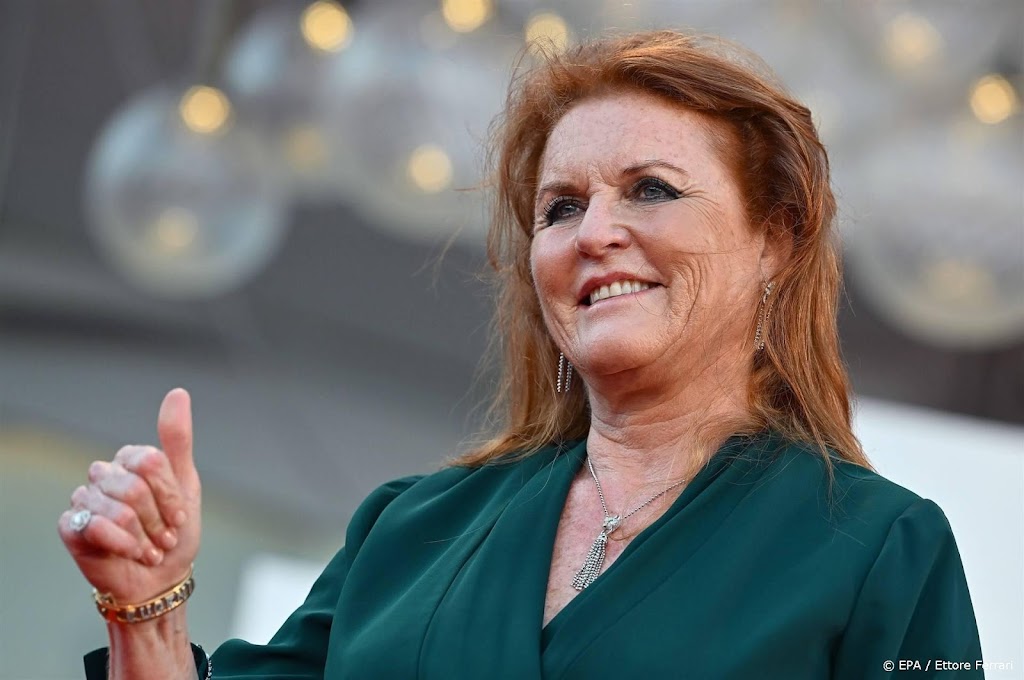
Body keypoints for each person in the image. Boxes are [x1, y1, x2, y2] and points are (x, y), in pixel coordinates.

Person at [60, 30, 985, 679]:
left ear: (774, 241)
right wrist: (148, 607)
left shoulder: (879, 548)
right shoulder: (409, 529)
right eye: (561, 208)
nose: (595, 234)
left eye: (652, 189)